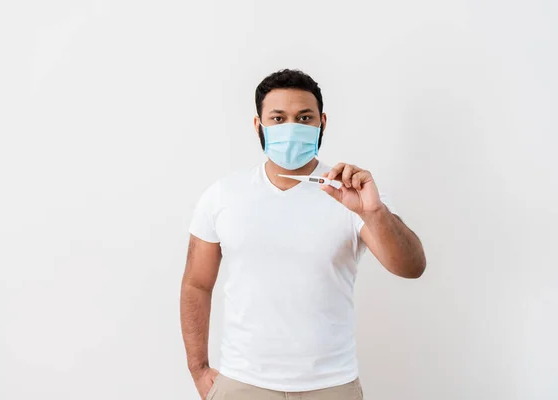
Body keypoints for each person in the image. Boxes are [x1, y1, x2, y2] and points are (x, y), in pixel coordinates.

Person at [180, 69, 426, 400]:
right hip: (243, 383)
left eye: (304, 117)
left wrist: (373, 212)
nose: (291, 128)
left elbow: (411, 267)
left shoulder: (353, 193)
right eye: (278, 118)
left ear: (322, 122)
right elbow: (196, 283)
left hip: (331, 385)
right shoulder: (222, 195)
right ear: (259, 126)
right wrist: (199, 369)